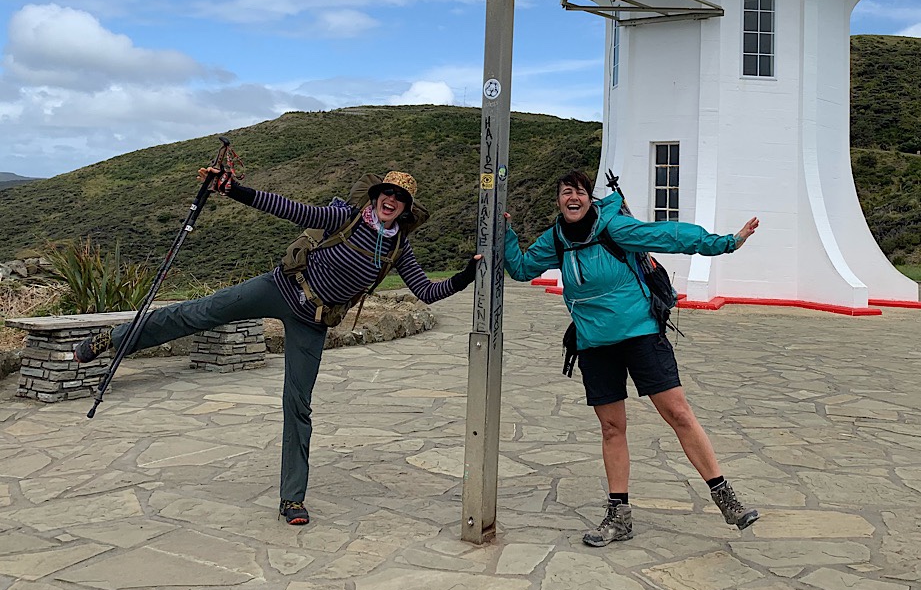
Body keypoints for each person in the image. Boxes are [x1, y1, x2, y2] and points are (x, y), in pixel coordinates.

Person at [74, 169, 478, 526]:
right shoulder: (344, 217)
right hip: (279, 288)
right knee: (195, 314)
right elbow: (290, 209)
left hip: (313, 322)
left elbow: (425, 290)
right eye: (387, 192)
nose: (392, 200)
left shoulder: (397, 248)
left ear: (406, 209)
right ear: (376, 196)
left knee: (298, 406)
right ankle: (112, 339)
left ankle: (292, 498)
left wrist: (464, 277)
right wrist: (233, 190)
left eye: (401, 198)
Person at [503, 169, 760, 547]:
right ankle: (618, 518)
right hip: (593, 344)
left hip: (641, 335)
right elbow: (522, 269)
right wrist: (506, 233)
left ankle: (726, 498)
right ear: (558, 201)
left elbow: (669, 236)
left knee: (678, 414)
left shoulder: (615, 228)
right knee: (612, 429)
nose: (572, 198)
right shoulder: (555, 239)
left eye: (579, 192)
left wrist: (725, 243)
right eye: (564, 193)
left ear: (590, 198)